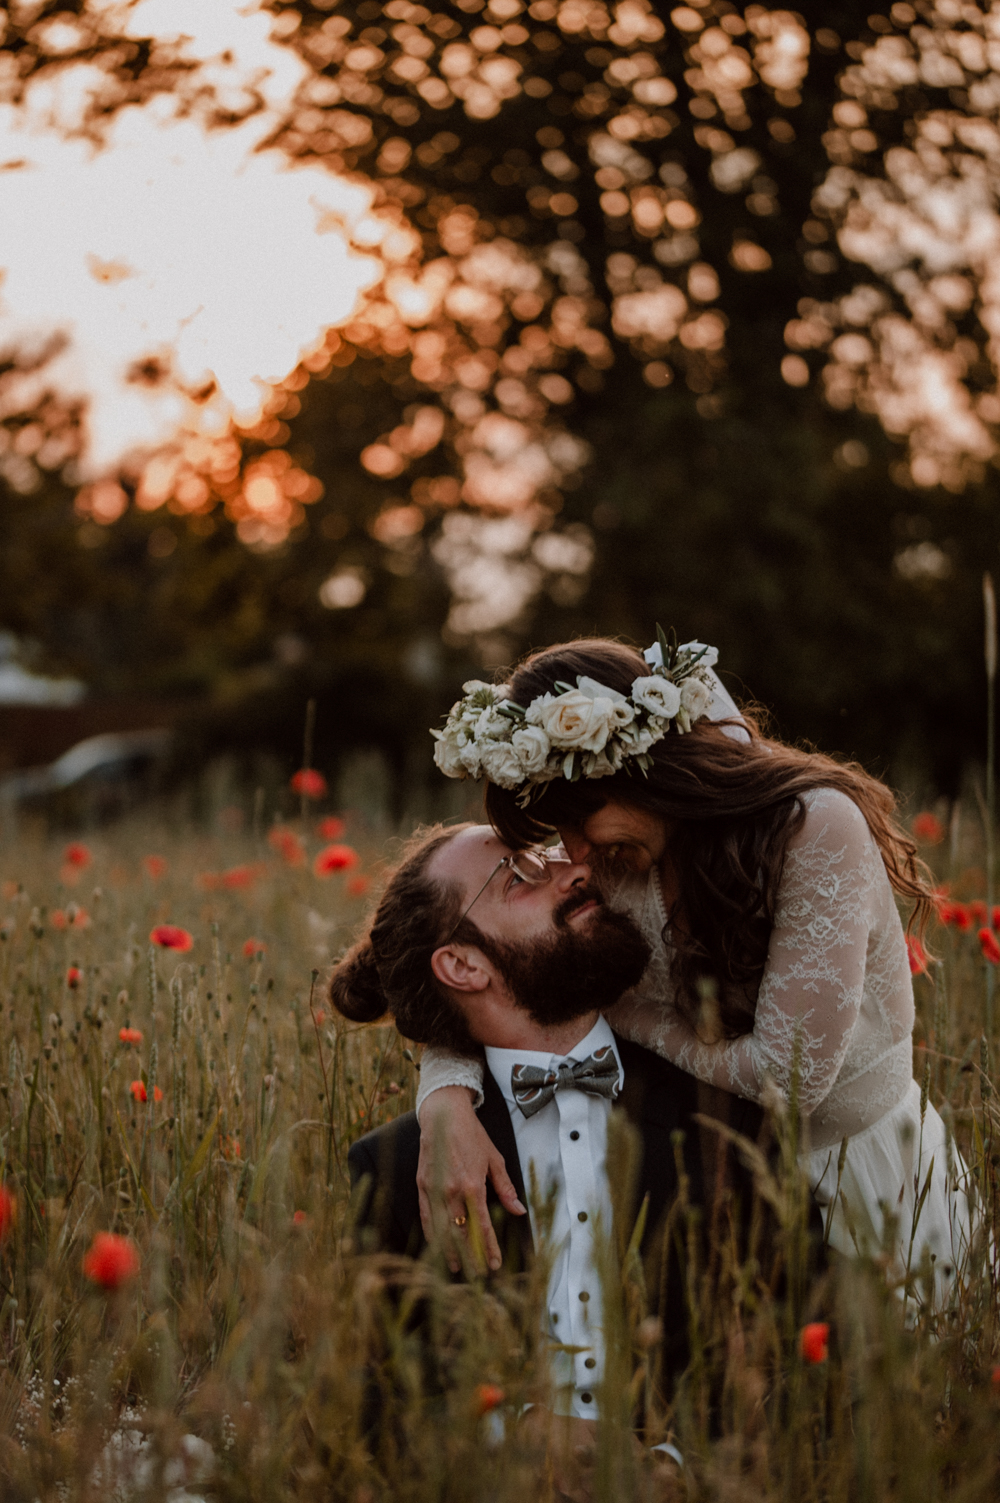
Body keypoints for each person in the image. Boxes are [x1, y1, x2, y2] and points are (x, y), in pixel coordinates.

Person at [418, 635, 974, 1306]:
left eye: (578, 816)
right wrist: (445, 1099)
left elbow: (786, 1077)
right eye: (554, 826)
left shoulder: (813, 829)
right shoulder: (610, 850)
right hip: (708, 1184)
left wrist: (624, 1014)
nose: (572, 852)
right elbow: (483, 963)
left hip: (866, 1178)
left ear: (639, 769)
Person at [331, 822, 789, 1489]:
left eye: (549, 853)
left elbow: (808, 1333)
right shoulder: (398, 1170)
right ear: (464, 964)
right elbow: (384, 1413)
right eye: (519, 873)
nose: (574, 870)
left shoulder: (727, 1111)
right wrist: (516, 1435)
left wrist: (673, 1468)